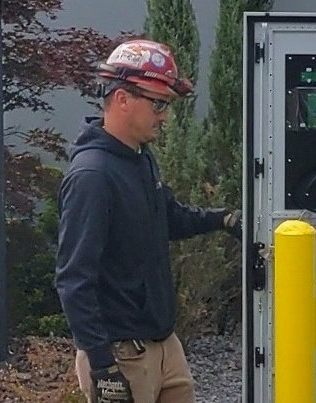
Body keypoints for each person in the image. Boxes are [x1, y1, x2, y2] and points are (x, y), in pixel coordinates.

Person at [55, 39, 242, 403]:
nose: (165, 115)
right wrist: (101, 365)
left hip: (164, 345)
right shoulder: (92, 176)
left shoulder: (139, 158)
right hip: (121, 354)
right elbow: (73, 279)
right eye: (158, 104)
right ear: (123, 99)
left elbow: (167, 217)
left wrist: (222, 219)